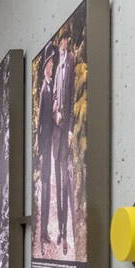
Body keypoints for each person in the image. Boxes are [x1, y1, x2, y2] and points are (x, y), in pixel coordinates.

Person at [52, 24, 76, 255]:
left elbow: (73, 94)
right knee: (59, 182)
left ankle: (66, 232)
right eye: (62, 41)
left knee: (66, 182)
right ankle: (60, 230)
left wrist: (69, 125)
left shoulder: (71, 62)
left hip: (66, 128)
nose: (64, 44)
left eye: (66, 40)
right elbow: (58, 98)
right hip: (56, 131)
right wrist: (54, 110)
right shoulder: (58, 66)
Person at [38, 43, 58, 254]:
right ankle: (43, 232)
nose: (51, 66)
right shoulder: (46, 89)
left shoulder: (50, 87)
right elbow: (41, 125)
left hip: (49, 144)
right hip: (46, 146)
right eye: (50, 63)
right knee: (45, 189)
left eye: (53, 63)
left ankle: (45, 231)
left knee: (48, 188)